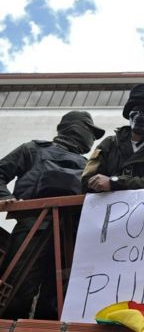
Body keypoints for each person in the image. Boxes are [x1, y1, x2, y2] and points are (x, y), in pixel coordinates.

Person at [0, 111, 104, 319]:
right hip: (32, 227)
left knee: (57, 296)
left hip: (71, 234)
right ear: (75, 128)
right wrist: (5, 197)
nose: (92, 139)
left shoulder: (89, 166)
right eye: (90, 132)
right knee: (16, 288)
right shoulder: (33, 149)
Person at [82, 83, 144, 192]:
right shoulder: (110, 143)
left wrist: (115, 183)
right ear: (129, 113)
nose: (142, 114)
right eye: (138, 108)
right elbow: (87, 180)